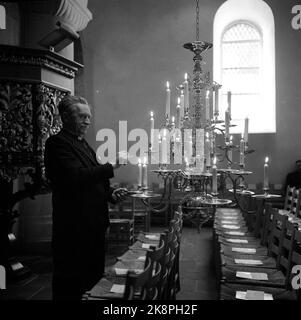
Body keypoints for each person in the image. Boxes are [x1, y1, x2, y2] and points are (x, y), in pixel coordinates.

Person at [44, 95, 128, 300]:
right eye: (82, 117)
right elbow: (73, 177)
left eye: (89, 117)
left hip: (93, 225)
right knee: (71, 283)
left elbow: (91, 179)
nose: (88, 122)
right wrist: (111, 167)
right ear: (65, 117)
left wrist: (110, 194)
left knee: (93, 278)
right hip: (73, 228)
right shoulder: (57, 144)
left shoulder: (82, 144)